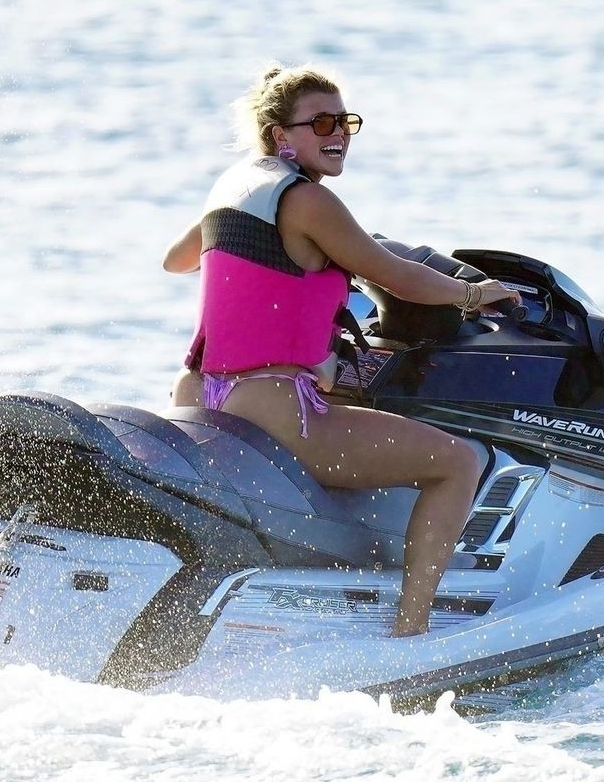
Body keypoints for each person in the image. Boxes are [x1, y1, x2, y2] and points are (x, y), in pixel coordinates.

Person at [162, 64, 519, 638]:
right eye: (322, 123)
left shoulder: (236, 187)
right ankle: (412, 632)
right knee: (457, 463)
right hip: (273, 407)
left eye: (345, 122)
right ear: (281, 135)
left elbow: (177, 260)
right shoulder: (309, 201)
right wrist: (474, 294)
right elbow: (397, 276)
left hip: (200, 395)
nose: (339, 134)